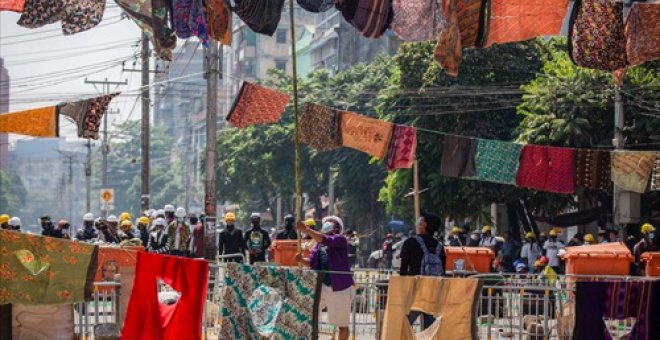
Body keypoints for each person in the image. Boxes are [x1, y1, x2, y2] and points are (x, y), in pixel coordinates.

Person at [296, 216, 354, 340]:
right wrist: (301, 260)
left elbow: (326, 239)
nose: (326, 223)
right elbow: (311, 262)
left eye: (330, 222)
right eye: (326, 222)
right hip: (321, 285)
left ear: (337, 227)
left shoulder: (340, 239)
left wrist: (306, 230)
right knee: (310, 314)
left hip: (340, 287)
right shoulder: (318, 245)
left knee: (342, 324)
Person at [399, 212, 445, 331]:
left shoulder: (410, 243)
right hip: (433, 292)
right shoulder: (439, 247)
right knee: (429, 329)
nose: (419, 221)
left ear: (425, 225)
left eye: (422, 220)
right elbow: (442, 272)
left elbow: (403, 270)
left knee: (404, 324)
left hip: (415, 291)